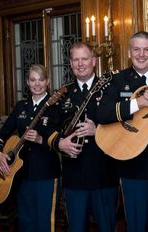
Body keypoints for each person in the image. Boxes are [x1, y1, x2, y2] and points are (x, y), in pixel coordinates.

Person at [96, 31, 148, 231]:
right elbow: (103, 113)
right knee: (135, 226)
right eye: (136, 49)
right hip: (131, 167)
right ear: (129, 52)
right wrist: (138, 102)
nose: (141, 54)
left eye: (146, 49)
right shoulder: (117, 80)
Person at [44, 42, 119, 232]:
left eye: (84, 58)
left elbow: (123, 126)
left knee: (107, 228)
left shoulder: (110, 89)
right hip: (74, 177)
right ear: (70, 63)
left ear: (93, 61)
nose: (80, 63)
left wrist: (98, 130)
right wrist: (60, 143)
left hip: (104, 175)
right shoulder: (63, 94)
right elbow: (47, 127)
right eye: (75, 59)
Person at [0, 64, 61, 232]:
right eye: (33, 80)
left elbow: (63, 141)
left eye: (41, 80)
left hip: (47, 174)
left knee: (45, 223)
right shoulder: (20, 107)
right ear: (27, 83)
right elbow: (1, 134)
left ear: (47, 82)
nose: (37, 84)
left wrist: (40, 139)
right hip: (21, 176)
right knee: (26, 222)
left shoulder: (56, 106)